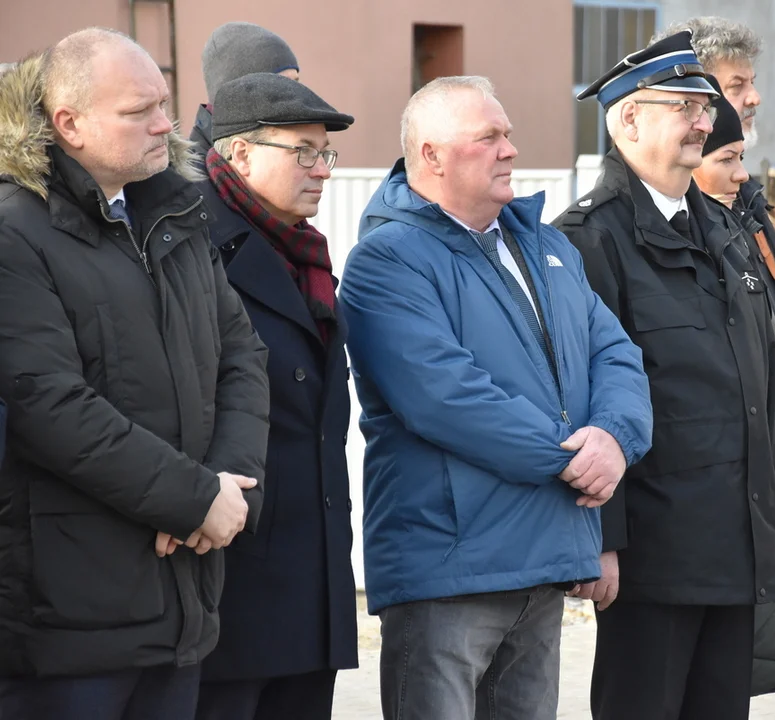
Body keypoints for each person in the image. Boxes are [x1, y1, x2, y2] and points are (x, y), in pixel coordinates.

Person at [338, 75, 653, 720]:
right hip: (451, 567)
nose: (510, 149)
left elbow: (615, 354)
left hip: (541, 559)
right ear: (431, 155)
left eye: (507, 134)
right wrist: (572, 458)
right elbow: (445, 396)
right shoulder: (388, 259)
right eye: (488, 137)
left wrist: (615, 438)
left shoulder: (544, 245)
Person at [0, 29, 270, 720]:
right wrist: (190, 498)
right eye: (138, 110)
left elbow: (242, 355)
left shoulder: (174, 215)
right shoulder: (15, 232)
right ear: (70, 124)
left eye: (165, 105)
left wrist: (224, 487)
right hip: (69, 621)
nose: (165, 124)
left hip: (180, 603)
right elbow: (45, 404)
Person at [552, 32, 775, 720]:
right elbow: (585, 402)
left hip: (733, 543)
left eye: (705, 104)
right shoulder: (589, 239)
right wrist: (601, 544)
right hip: (653, 558)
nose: (704, 120)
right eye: (684, 105)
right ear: (627, 118)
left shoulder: (722, 229)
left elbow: (757, 388)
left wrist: (767, 514)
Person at [193, 74, 357, 720]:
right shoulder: (194, 247)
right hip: (236, 584)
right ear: (239, 154)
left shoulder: (304, 253)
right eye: (303, 152)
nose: (322, 171)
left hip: (308, 583)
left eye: (327, 154)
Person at [657, 17, 775, 525]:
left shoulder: (748, 203)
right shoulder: (670, 221)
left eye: (752, 82)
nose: (754, 97)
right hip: (722, 494)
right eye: (737, 85)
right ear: (693, 97)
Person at [692, 76, 775, 696]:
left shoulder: (749, 222)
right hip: (726, 481)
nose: (743, 173)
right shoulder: (692, 238)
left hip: (774, 459)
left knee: (751, 660)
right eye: (728, 158)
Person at [189, 22, 300, 157]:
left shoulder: (285, 154)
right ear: (236, 94)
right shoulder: (192, 173)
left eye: (295, 84)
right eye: (279, 87)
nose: (296, 96)